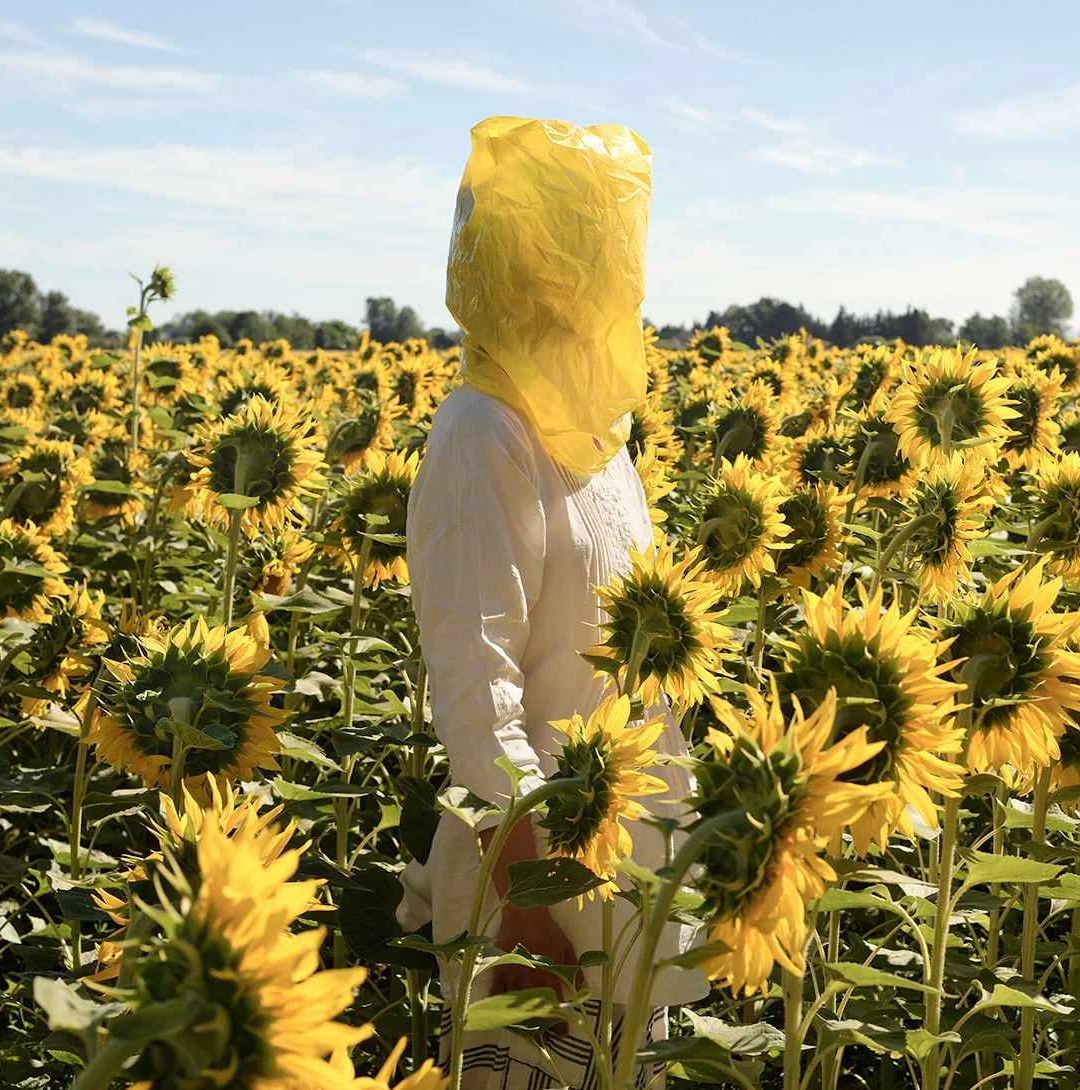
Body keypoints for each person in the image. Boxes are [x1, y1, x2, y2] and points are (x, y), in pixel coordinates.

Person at [398, 116, 707, 1090]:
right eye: (580, 248)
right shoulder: (482, 431)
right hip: (535, 903)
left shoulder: (600, 434)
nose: (602, 273)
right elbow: (473, 682)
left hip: (633, 888)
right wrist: (527, 902)